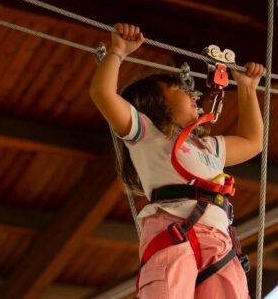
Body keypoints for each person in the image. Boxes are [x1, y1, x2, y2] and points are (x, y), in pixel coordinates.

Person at [90, 23, 265, 299]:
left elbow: (253, 142)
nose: (193, 95)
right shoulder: (147, 134)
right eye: (181, 90)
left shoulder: (208, 147)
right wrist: (117, 52)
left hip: (218, 241)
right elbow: (103, 95)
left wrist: (247, 89)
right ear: (155, 103)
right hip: (172, 231)